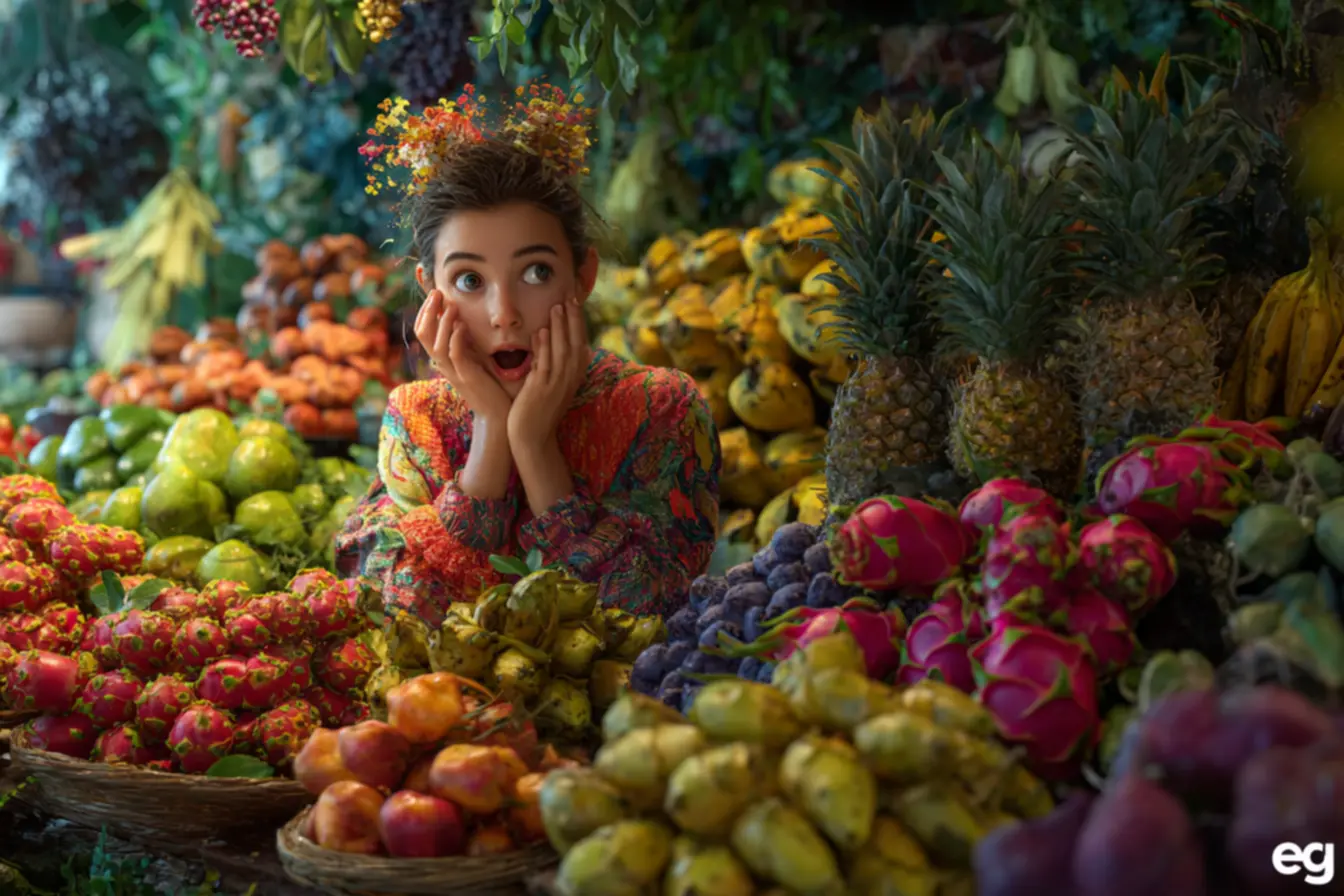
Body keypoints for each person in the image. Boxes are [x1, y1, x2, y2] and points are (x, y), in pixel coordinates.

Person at [336, 86, 721, 627]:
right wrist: (493, 431)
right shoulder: (417, 418)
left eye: (536, 272)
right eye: (469, 280)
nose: (504, 314)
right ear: (429, 290)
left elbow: (661, 612)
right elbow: (394, 612)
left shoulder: (659, 406)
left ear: (583, 276)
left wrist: (536, 448)